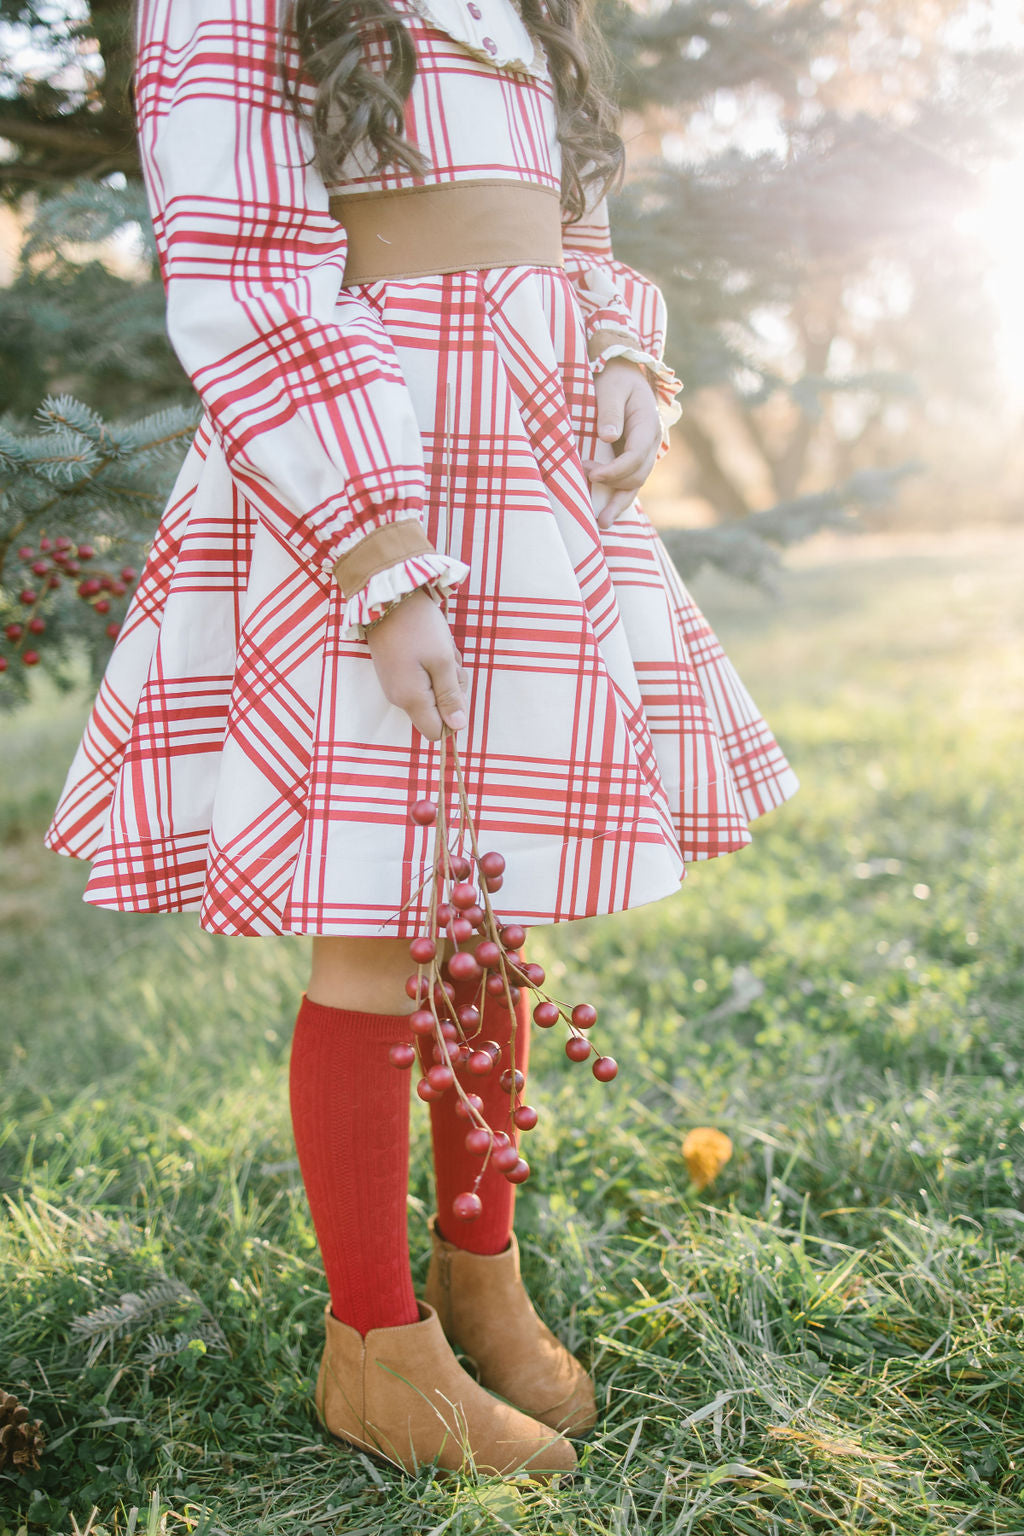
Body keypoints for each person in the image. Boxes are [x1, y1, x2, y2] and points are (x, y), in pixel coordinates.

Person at [43, 0, 798, 1482]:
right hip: (373, 463)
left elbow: (575, 229)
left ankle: (480, 1273)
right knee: (378, 924)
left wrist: (624, 354)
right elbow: (245, 268)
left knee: (484, 906)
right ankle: (374, 1343)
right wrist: (377, 553)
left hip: (525, 468)